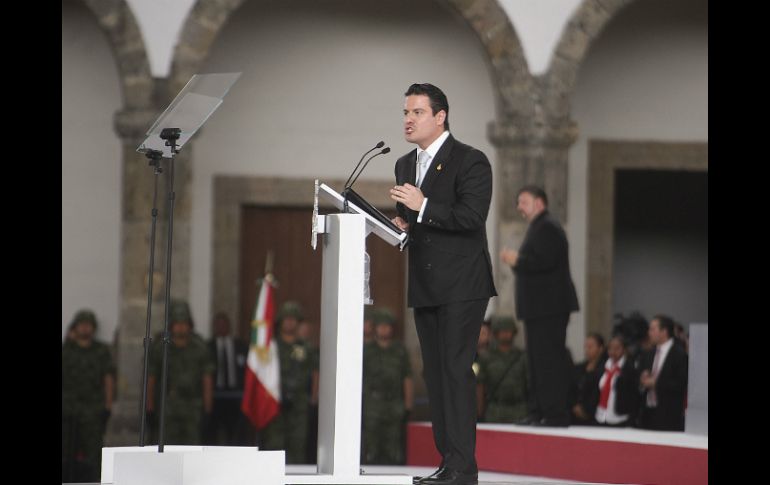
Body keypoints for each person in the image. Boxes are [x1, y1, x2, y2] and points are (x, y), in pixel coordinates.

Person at [390, 83, 496, 485]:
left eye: (417, 112)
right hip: (425, 282)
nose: (408, 119)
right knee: (434, 374)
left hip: (463, 283)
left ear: (440, 117)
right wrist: (401, 223)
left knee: (455, 370)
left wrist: (423, 207)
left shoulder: (470, 160)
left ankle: (463, 467)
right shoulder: (403, 163)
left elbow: (471, 217)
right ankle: (448, 461)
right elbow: (416, 220)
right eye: (405, 112)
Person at [500, 185, 579, 427]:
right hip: (540, 308)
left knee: (548, 362)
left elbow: (544, 261)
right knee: (536, 362)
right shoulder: (539, 227)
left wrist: (517, 260)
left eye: (523, 202)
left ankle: (554, 414)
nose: (519, 207)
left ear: (540, 203)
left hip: (549, 308)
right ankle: (538, 412)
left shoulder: (548, 227)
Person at [259, 301, 319, 463]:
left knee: (297, 448)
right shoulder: (271, 346)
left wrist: (313, 399)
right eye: (287, 319)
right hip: (274, 404)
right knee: (274, 448)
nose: (290, 322)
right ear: (280, 321)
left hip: (299, 405)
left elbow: (315, 373)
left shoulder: (306, 347)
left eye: (294, 319)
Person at [147, 300, 214, 445]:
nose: (181, 327)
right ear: (171, 325)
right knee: (167, 448)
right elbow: (151, 379)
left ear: (190, 325)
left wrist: (208, 410)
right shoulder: (161, 347)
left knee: (192, 448)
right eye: (177, 323)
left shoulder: (200, 348)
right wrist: (150, 407)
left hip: (193, 407)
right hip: (168, 408)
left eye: (184, 323)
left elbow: (207, 379)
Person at [62, 309, 115, 483]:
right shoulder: (66, 350)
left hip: (92, 409)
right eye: (81, 324)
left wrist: (108, 406)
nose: (85, 328)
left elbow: (108, 378)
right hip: (67, 408)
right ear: (75, 327)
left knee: (93, 452)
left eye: (88, 325)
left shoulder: (101, 351)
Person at [362, 308, 414, 464]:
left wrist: (408, 405)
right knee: (371, 448)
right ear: (375, 327)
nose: (384, 328)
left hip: (394, 404)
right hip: (372, 405)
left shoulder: (400, 351)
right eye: (380, 325)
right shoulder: (366, 350)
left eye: (387, 325)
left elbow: (407, 377)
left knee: (393, 450)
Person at [205, 312, 248, 445]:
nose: (221, 327)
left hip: (235, 396)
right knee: (212, 433)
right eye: (218, 324)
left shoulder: (241, 345)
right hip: (214, 396)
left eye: (224, 324)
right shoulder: (207, 347)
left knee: (235, 433)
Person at [638, 315, 688, 431]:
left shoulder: (679, 355)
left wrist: (656, 383)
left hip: (668, 414)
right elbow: (640, 378)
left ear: (664, 331)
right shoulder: (649, 353)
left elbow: (681, 383)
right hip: (647, 412)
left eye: (652, 329)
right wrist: (642, 380)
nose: (649, 333)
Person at [476, 316, 529, 424]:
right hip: (495, 412)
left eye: (508, 330)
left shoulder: (522, 357)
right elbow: (480, 386)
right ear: (496, 333)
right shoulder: (485, 358)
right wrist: (479, 412)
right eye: (502, 331)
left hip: (520, 411)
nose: (505, 334)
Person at [594, 335, 639, 427]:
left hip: (620, 417)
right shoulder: (603, 366)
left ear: (624, 350)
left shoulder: (629, 368)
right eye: (610, 348)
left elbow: (633, 395)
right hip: (601, 415)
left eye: (617, 348)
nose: (613, 351)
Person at [569, 333, 606, 425]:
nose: (587, 350)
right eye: (586, 347)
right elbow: (571, 387)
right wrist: (574, 405)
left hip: (595, 415)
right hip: (575, 413)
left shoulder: (605, 368)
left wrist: (586, 411)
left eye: (590, 347)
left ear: (600, 349)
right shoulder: (579, 368)